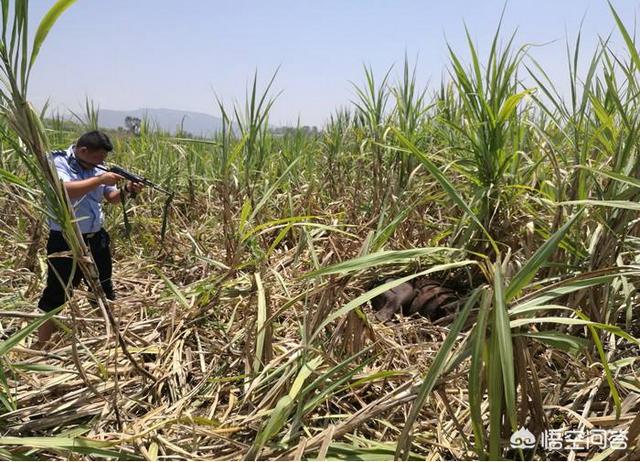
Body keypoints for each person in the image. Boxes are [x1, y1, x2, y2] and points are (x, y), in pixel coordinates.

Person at [36, 130, 143, 347]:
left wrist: (129, 191)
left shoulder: (96, 168)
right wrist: (99, 179)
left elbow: (111, 198)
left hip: (96, 239)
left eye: (103, 159)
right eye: (98, 158)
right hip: (66, 239)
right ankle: (42, 345)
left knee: (103, 287)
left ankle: (109, 339)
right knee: (58, 291)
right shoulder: (58, 162)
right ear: (82, 150)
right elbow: (64, 190)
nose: (101, 163)